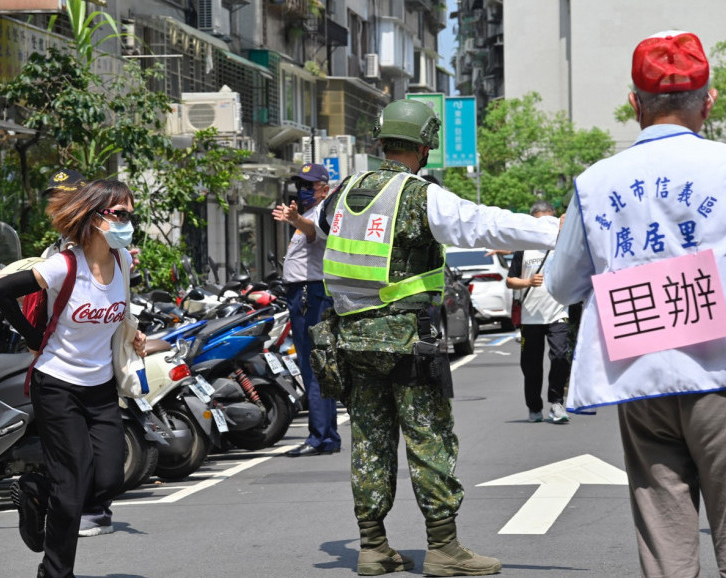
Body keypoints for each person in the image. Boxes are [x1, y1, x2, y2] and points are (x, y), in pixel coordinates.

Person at [310, 99, 558, 576]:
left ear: (381, 143)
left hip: (350, 343)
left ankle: (372, 547)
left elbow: (320, 227)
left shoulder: (342, 193)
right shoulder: (421, 195)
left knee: (369, 441)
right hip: (407, 342)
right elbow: (484, 223)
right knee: (428, 439)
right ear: (424, 149)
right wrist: (553, 229)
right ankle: (444, 550)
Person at [545, 30, 726, 577]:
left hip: (642, 377)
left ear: (634, 104)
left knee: (664, 535)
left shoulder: (595, 182)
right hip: (721, 374)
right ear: (709, 99)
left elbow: (560, 284)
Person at [0, 179, 147, 578]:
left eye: (131, 214)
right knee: (73, 485)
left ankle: (38, 489)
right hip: (56, 384)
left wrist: (133, 332)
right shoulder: (64, 266)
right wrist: (31, 337)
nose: (130, 222)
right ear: (96, 219)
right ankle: (56, 573)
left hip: (100, 387)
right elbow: (1, 291)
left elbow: (119, 310)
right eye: (122, 215)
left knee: (110, 476)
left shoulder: (124, 261)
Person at [0, 169, 117, 539]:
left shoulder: (106, 249)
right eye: (52, 197)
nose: (54, 204)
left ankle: (68, 501)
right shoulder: (57, 252)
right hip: (59, 367)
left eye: (64, 196)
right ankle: (57, 506)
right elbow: (28, 286)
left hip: (97, 368)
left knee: (102, 464)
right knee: (74, 459)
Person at [271, 163, 341, 457]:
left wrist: (296, 218)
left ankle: (319, 437)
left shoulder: (323, 212)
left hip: (310, 293)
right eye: (300, 183)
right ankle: (326, 436)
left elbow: (313, 232)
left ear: (324, 188)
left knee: (314, 366)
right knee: (315, 365)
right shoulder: (311, 211)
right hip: (303, 292)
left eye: (309, 184)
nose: (302, 189)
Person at [505, 200, 570, 424]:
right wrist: (528, 281)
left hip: (558, 311)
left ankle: (556, 402)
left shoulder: (562, 244)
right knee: (531, 366)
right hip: (531, 315)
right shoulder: (524, 247)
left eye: (551, 221)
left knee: (561, 356)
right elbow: (510, 281)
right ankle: (534, 406)